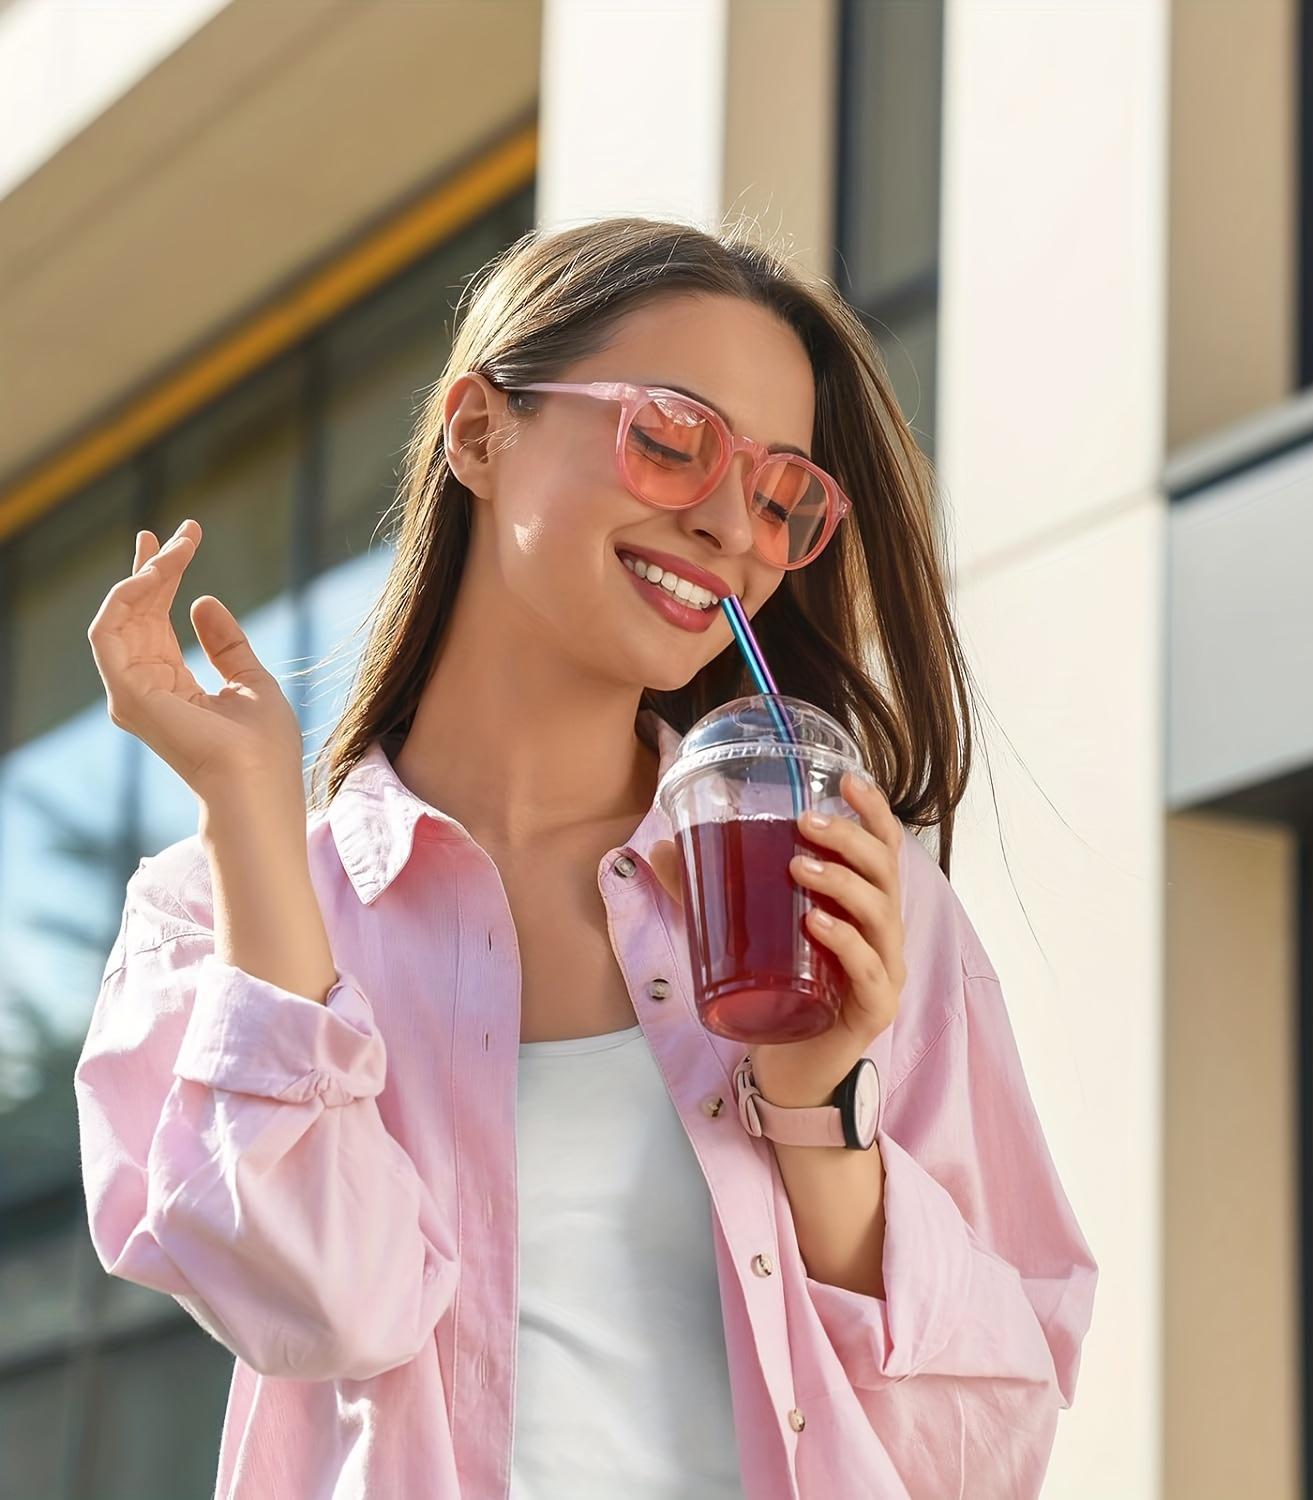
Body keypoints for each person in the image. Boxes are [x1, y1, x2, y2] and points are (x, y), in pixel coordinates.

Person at [75, 214, 1097, 1500]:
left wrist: (821, 1110)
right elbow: (327, 1305)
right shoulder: (208, 922)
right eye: (674, 439)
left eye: (783, 496)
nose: (734, 526)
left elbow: (981, 1448)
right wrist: (245, 808)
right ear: (480, 431)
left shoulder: (851, 900)